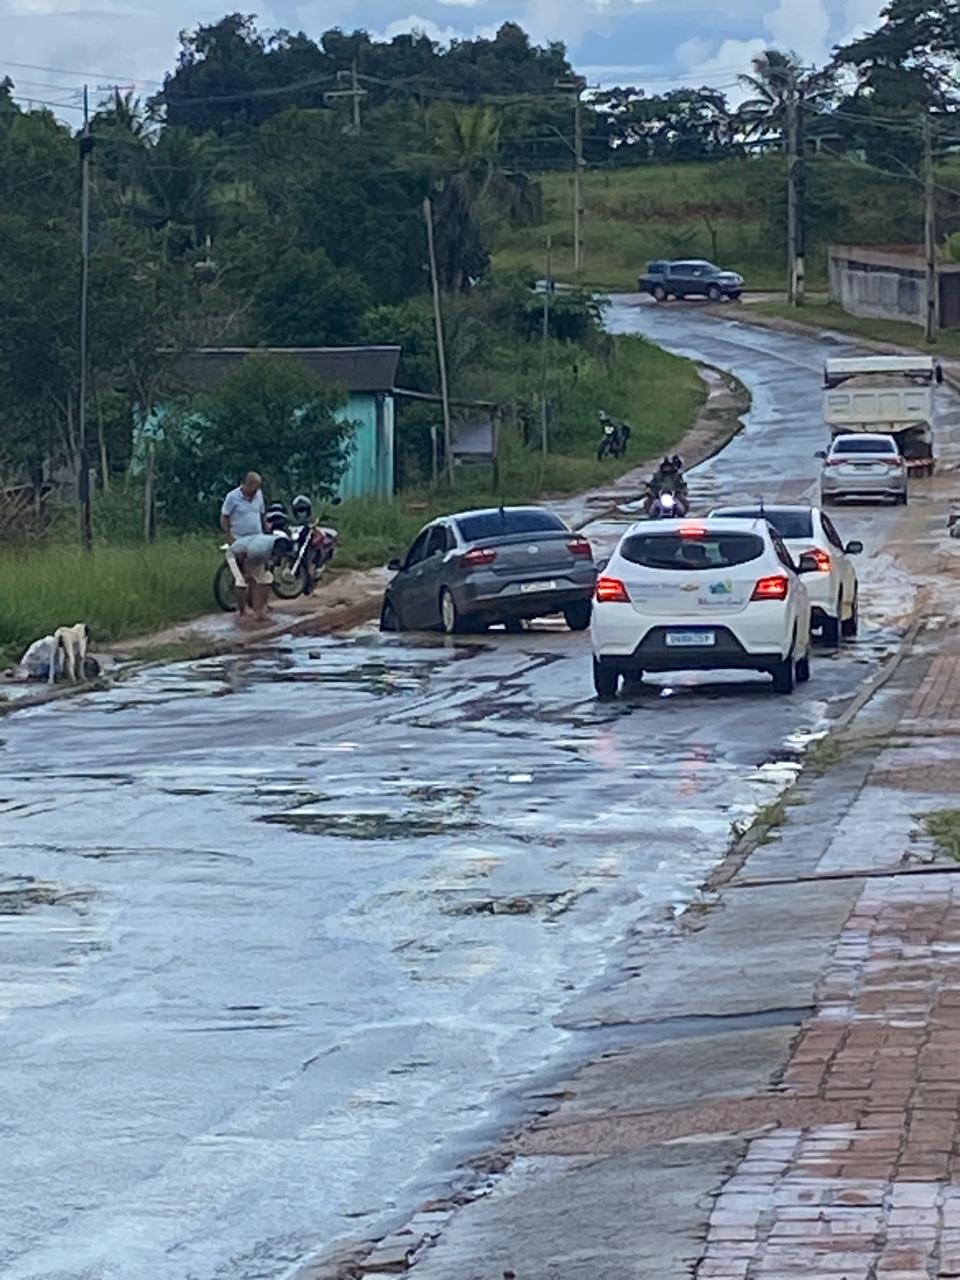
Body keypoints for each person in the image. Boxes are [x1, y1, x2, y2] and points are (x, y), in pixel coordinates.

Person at [221, 472, 271, 623]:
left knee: (259, 576)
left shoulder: (259, 495)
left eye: (257, 489)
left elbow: (262, 514)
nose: (256, 491)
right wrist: (230, 538)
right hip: (240, 540)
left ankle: (258, 610)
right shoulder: (232, 497)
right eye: (253, 488)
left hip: (257, 541)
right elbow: (224, 517)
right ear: (246, 485)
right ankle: (241, 610)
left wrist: (266, 528)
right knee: (241, 578)